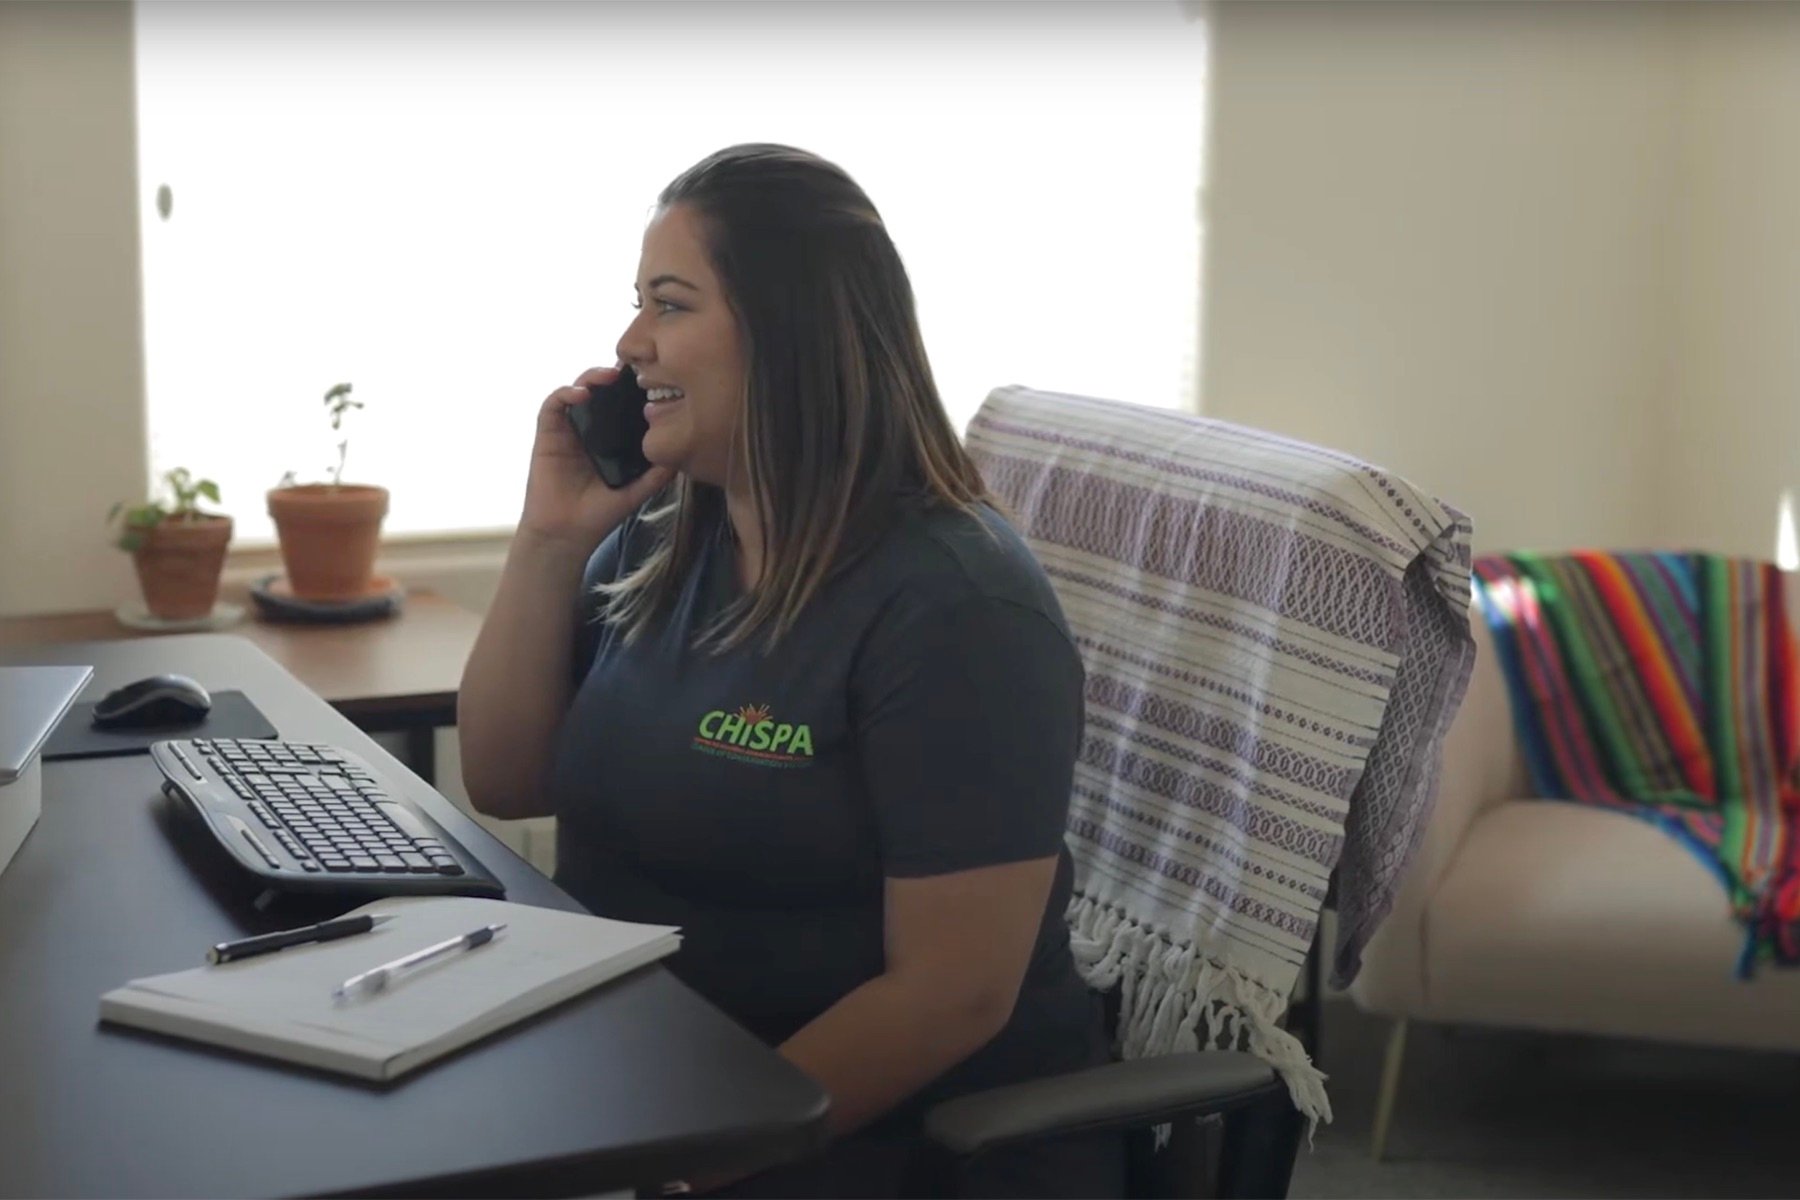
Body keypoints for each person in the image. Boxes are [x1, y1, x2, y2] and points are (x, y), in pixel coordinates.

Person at [458, 143, 1123, 1199]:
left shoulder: (955, 606)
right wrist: (547, 541)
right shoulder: (669, 537)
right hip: (650, 1090)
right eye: (637, 305)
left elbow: (952, 997)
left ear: (788, 333)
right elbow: (503, 777)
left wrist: (686, 1156)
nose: (630, 345)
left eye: (669, 305)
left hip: (864, 1141)